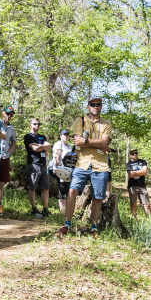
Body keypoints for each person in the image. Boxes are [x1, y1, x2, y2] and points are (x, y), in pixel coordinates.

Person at [59, 96, 112, 237]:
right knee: (71, 192)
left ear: (101, 106)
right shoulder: (80, 121)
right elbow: (78, 141)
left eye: (98, 104)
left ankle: (94, 228)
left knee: (97, 197)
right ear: (88, 106)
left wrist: (87, 141)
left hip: (100, 165)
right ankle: (67, 225)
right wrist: (100, 144)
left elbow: (105, 142)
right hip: (81, 163)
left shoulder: (106, 124)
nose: (96, 106)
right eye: (92, 104)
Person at [24, 117, 51, 218]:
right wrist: (42, 146)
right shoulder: (28, 136)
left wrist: (41, 146)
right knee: (33, 187)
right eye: (35, 124)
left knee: (46, 188)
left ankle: (45, 209)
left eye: (39, 124)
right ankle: (34, 209)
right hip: (33, 164)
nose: (37, 126)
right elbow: (34, 148)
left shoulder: (42, 136)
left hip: (43, 165)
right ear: (31, 125)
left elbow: (48, 147)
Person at [0, 105, 18, 215]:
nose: (9, 116)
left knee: (1, 180)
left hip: (5, 156)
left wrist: (11, 149)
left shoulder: (11, 128)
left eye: (11, 115)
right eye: (7, 114)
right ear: (3, 113)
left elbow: (14, 140)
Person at [50, 129, 74, 211]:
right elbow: (57, 157)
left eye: (67, 135)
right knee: (63, 189)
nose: (66, 136)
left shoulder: (69, 146)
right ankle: (62, 210)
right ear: (60, 136)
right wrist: (58, 169)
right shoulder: (58, 144)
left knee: (67, 189)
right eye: (64, 135)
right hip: (61, 171)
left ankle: (67, 209)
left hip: (68, 171)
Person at [125, 149, 150, 217]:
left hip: (142, 185)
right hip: (132, 186)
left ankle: (149, 218)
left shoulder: (143, 162)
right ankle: (135, 218)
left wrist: (134, 173)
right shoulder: (128, 164)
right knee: (133, 204)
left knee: (146, 204)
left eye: (136, 153)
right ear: (130, 155)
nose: (135, 155)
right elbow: (130, 175)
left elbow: (144, 171)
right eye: (133, 154)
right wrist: (141, 172)